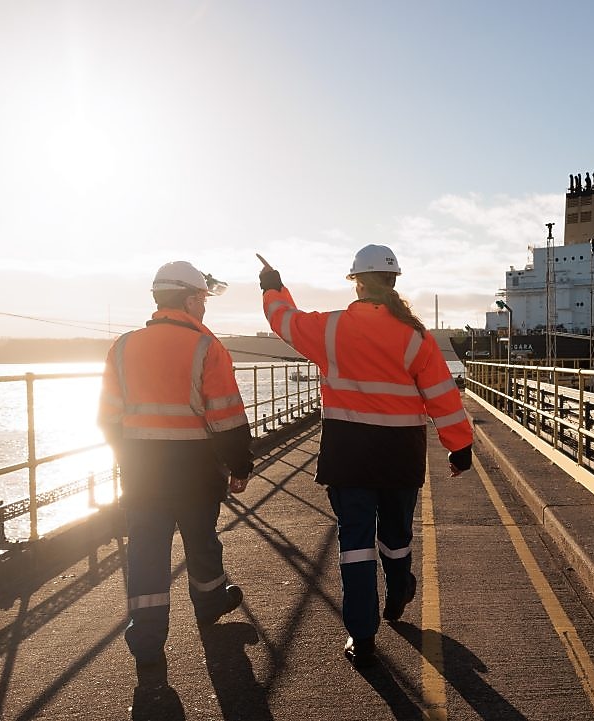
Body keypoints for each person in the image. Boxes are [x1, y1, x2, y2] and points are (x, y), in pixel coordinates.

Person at [258, 244, 473, 667]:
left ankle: (362, 635)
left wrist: (273, 287)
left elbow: (284, 321)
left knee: (355, 546)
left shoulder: (331, 329)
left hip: (348, 454)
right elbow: (442, 397)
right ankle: (398, 592)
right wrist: (459, 448)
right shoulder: (416, 336)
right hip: (399, 456)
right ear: (393, 281)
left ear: (356, 282)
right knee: (396, 538)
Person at [97, 261, 255, 689]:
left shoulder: (123, 346)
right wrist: (240, 466)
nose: (204, 307)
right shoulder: (206, 347)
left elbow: (108, 417)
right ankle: (209, 604)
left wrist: (126, 454)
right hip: (195, 466)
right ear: (189, 300)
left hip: (142, 467)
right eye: (202, 299)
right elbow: (226, 417)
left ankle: (147, 644)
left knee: (146, 549)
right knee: (201, 539)